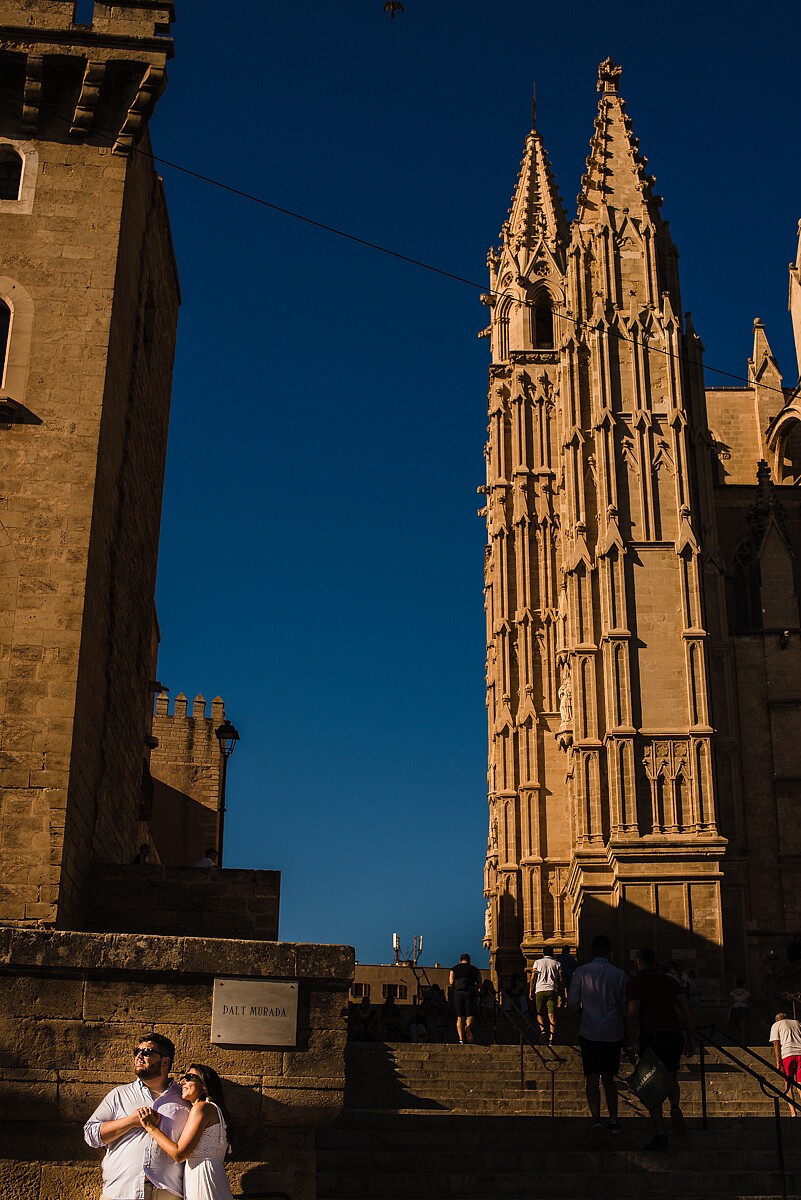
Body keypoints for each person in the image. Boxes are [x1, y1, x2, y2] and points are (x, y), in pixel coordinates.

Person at [84, 1032, 190, 1200]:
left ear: (165, 1061)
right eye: (137, 1051)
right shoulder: (119, 1094)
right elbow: (91, 1135)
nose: (139, 1056)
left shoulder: (185, 1100)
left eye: (147, 1052)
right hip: (121, 1192)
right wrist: (130, 1122)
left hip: (167, 1193)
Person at [626, 947, 696, 1150]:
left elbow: (633, 1014)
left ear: (638, 963)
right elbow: (687, 1010)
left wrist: (630, 1044)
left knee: (651, 1084)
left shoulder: (635, 983)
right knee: (670, 1075)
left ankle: (660, 1134)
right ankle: (674, 1106)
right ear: (655, 962)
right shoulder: (670, 981)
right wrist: (690, 1039)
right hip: (674, 1035)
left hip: (652, 1035)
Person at [138, 1062, 234, 1199]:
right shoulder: (213, 1109)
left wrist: (150, 1127)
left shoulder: (202, 1108)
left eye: (189, 1077)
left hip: (202, 1177)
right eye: (182, 1078)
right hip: (211, 1176)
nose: (182, 1081)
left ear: (204, 1085)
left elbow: (179, 1154)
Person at [567, 934, 628, 1137]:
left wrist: (583, 1015)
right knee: (609, 1078)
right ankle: (614, 1120)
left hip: (589, 1031)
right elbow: (624, 1006)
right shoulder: (620, 974)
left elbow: (572, 1004)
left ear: (592, 950)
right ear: (609, 950)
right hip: (612, 1032)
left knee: (592, 1078)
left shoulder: (581, 972)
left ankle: (595, 1118)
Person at [529, 948, 564, 1043]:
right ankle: (551, 1038)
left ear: (543, 953)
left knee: (539, 1012)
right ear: (553, 953)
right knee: (551, 1015)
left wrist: (531, 991)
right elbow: (560, 980)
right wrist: (562, 994)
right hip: (552, 990)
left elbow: (533, 977)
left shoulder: (537, 962)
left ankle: (543, 1031)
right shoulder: (557, 964)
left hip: (540, 989)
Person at [769, 1011, 801, 1116]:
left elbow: (776, 1043)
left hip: (788, 1054)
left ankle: (793, 1112)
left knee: (788, 1085)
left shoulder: (776, 1025)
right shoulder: (797, 1022)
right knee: (800, 1084)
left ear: (777, 1020)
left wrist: (778, 1060)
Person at [449, 952, 481, 1045]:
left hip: (458, 993)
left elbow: (451, 981)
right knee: (470, 1014)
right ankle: (468, 1027)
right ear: (469, 961)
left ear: (460, 960)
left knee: (459, 1017)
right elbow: (480, 983)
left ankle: (461, 1039)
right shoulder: (474, 969)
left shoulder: (454, 968)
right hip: (470, 992)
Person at [729, 977, 750, 1043]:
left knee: (735, 1025)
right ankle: (742, 1040)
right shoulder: (746, 992)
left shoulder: (733, 992)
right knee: (743, 1026)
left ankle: (737, 1038)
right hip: (743, 1008)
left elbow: (730, 1001)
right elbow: (748, 1002)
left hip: (735, 1008)